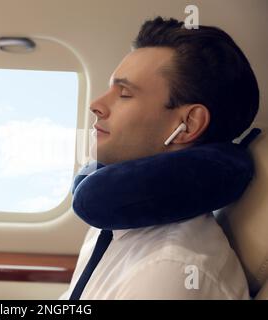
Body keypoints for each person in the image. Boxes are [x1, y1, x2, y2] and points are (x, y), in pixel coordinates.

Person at [60, 16, 259, 299]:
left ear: (188, 125)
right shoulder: (114, 223)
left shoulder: (169, 270)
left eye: (124, 93)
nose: (96, 105)